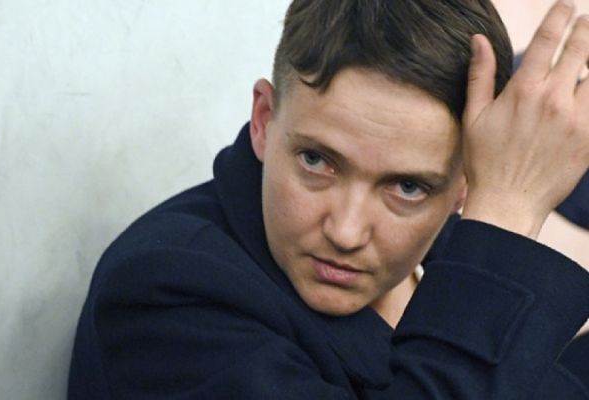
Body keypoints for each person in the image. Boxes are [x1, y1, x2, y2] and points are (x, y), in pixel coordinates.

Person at [68, 0, 589, 398]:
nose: (345, 231)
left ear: (463, 185)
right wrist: (504, 214)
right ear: (264, 121)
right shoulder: (164, 294)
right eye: (316, 161)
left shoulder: (441, 249)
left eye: (407, 187)